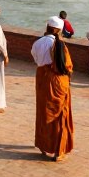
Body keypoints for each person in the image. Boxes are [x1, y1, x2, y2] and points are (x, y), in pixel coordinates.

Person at [31, 16, 75, 161]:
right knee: (59, 115)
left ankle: (44, 146)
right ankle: (58, 151)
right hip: (57, 81)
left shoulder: (37, 43)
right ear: (57, 30)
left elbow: (36, 59)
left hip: (42, 79)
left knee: (43, 112)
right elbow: (67, 66)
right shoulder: (59, 45)